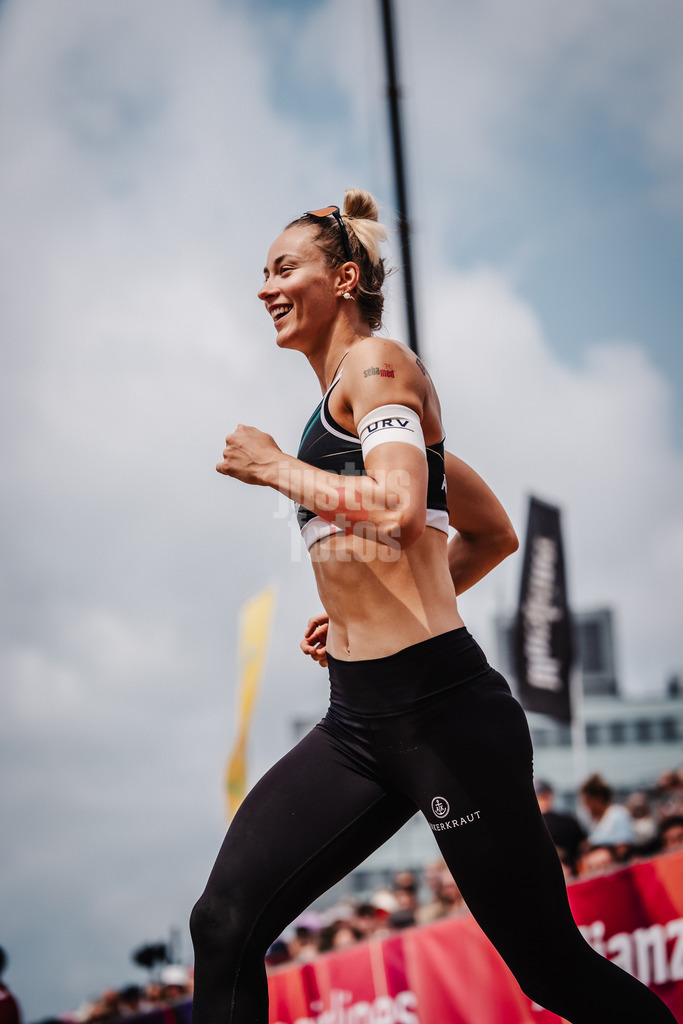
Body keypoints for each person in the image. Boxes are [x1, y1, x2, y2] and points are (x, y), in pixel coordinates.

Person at [190, 190, 677, 1023]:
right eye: (261, 274)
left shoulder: (379, 366)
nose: (265, 288)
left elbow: (398, 507)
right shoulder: (337, 407)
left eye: (283, 268)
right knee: (222, 923)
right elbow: (488, 533)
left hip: (442, 714)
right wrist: (368, 603)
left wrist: (273, 469)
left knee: (551, 970)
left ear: (344, 279)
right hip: (356, 722)